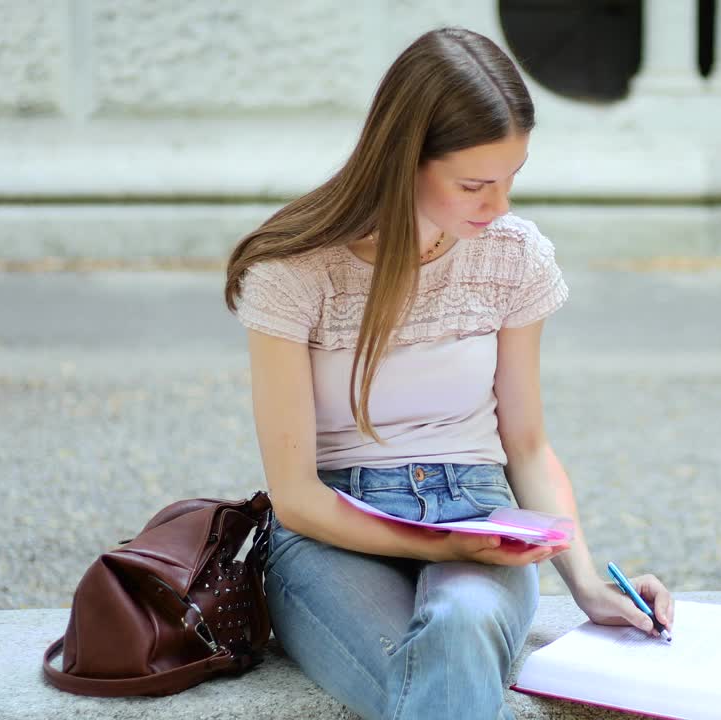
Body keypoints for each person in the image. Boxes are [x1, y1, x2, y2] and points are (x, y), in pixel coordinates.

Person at [223, 27, 673, 720]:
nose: (500, 207)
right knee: (438, 666)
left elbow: (525, 444)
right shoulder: (292, 272)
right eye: (474, 185)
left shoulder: (512, 256)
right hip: (330, 531)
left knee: (460, 627)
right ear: (403, 159)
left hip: (479, 509)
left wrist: (586, 582)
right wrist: (437, 542)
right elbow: (295, 497)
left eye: (511, 178)